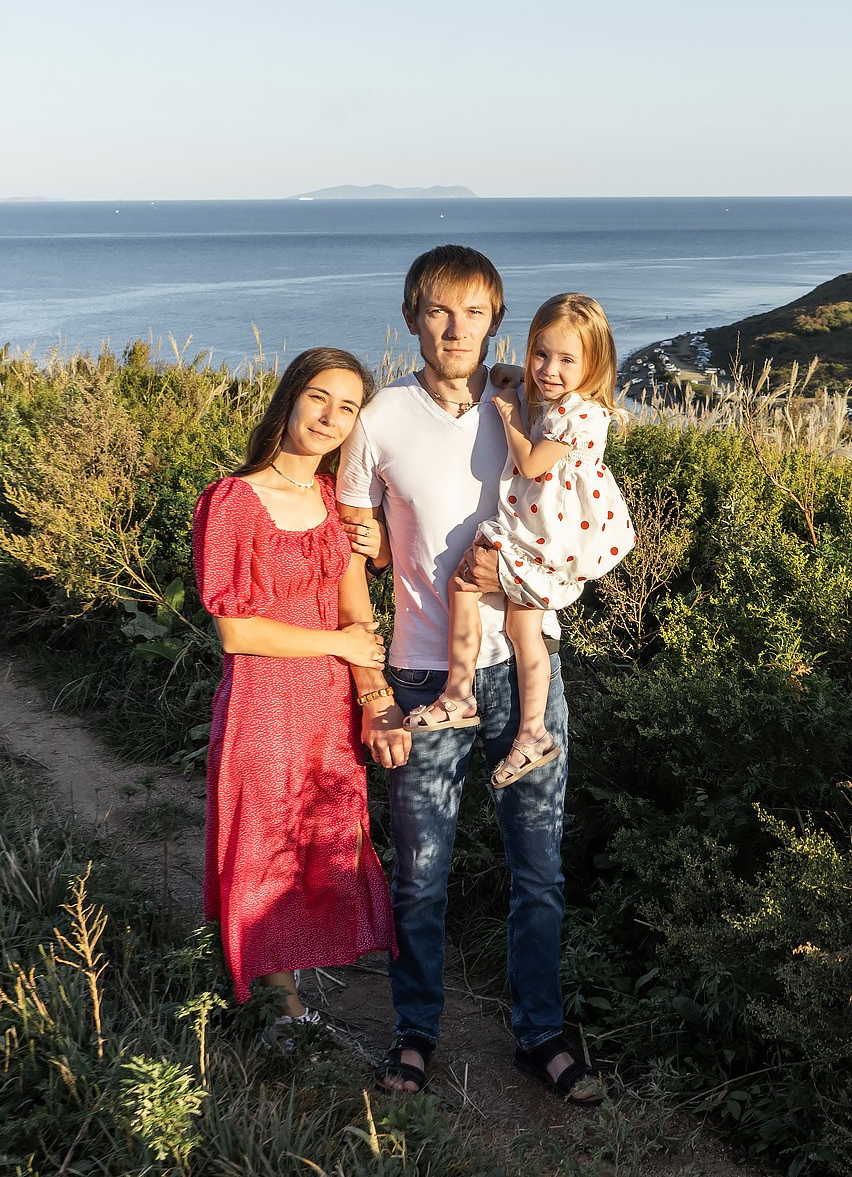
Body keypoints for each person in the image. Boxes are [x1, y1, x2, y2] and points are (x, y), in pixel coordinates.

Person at [338, 246, 606, 1106]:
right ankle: (414, 1034)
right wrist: (371, 683)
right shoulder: (377, 419)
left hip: (528, 675)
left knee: (539, 870)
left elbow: (577, 528)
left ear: (497, 320)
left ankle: (541, 1035)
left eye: (477, 312)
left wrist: (522, 583)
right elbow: (351, 549)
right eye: (440, 311)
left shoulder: (530, 403)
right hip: (423, 677)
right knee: (421, 871)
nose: (458, 328)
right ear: (413, 317)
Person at [190, 346, 393, 1054]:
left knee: (322, 831)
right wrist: (338, 648)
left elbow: (357, 612)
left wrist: (374, 695)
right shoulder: (233, 498)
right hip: (264, 700)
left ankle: (294, 980)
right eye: (318, 398)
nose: (330, 417)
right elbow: (235, 629)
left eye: (347, 409)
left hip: (328, 705)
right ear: (289, 398)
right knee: (264, 838)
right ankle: (277, 1002)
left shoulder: (338, 502)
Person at [401, 293, 633, 791]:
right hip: (530, 527)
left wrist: (507, 411)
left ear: (594, 364)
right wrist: (511, 373)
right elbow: (515, 374)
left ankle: (518, 724)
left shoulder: (583, 414)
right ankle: (479, 705)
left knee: (513, 621)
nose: (549, 369)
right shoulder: (553, 397)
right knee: (482, 598)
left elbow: (532, 465)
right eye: (540, 354)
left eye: (567, 360)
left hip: (546, 538)